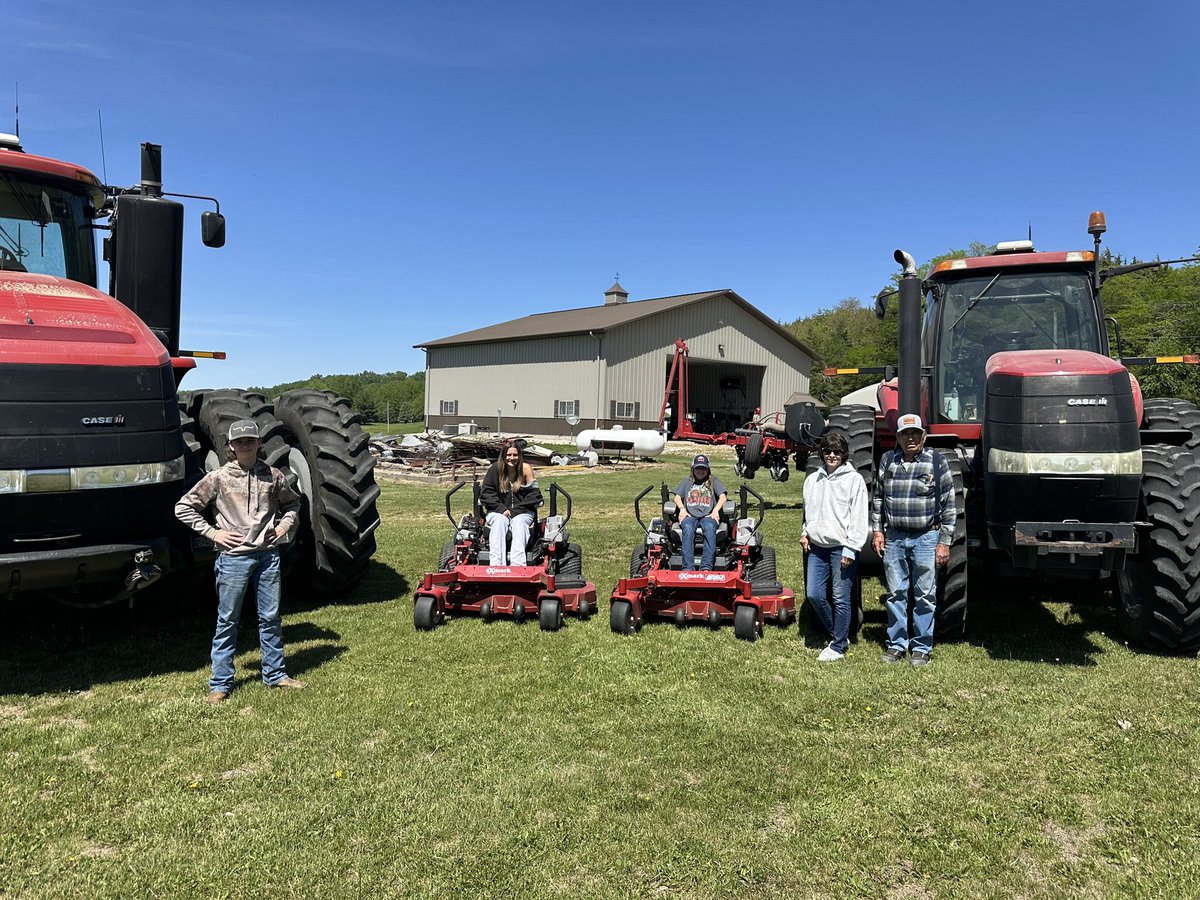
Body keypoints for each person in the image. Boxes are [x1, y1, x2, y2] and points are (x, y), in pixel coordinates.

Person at [175, 419, 305, 703]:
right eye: (239, 441)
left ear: (259, 443)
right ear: (231, 447)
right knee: (228, 620)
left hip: (267, 556)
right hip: (233, 560)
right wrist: (213, 533)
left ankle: (275, 674)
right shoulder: (219, 478)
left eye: (251, 440)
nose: (245, 445)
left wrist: (284, 526)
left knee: (270, 618)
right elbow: (183, 507)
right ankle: (220, 683)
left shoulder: (273, 476)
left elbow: (293, 504)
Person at [870, 413, 957, 667]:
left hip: (926, 537)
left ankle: (921, 647)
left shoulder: (936, 462)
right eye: (905, 434)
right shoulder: (888, 460)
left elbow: (949, 504)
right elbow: (878, 499)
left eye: (915, 434)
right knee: (895, 593)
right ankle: (896, 644)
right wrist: (878, 531)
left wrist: (944, 542)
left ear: (924, 437)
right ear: (897, 437)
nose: (911, 438)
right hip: (895, 537)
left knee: (924, 595)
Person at [800, 432, 869, 662]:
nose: (831, 455)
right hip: (817, 548)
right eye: (828, 451)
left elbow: (859, 517)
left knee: (841, 598)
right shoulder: (812, 480)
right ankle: (837, 635)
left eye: (836, 452)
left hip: (841, 548)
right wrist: (805, 533)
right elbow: (809, 512)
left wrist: (851, 549)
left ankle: (838, 646)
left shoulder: (854, 480)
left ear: (844, 454)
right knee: (814, 595)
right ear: (822, 453)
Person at [480, 441, 542, 565]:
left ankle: (518, 566)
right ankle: (496, 565)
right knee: (499, 521)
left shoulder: (525, 469)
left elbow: (534, 495)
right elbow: (486, 493)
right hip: (497, 511)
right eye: (509, 455)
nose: (511, 458)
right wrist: (501, 509)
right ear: (503, 456)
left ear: (519, 456)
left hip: (522, 512)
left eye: (515, 455)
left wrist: (515, 511)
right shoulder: (494, 469)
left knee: (519, 523)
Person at [673, 454, 728, 571]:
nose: (700, 471)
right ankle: (688, 567)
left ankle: (706, 567)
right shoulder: (687, 481)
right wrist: (682, 509)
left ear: (708, 469)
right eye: (698, 468)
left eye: (703, 468)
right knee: (687, 528)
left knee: (709, 527)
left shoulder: (713, 481)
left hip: (708, 515)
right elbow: (677, 497)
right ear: (693, 469)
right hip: (690, 515)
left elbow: (723, 497)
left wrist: (715, 511)